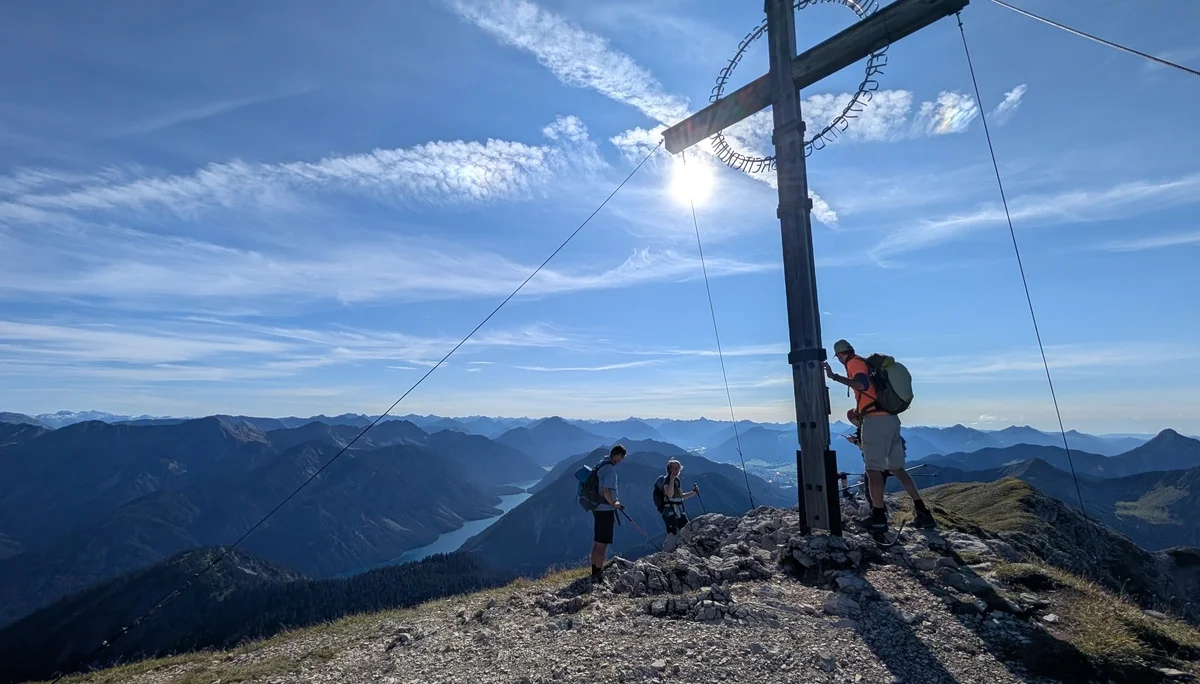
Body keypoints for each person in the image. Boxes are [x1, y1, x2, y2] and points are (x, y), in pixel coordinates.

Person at [824, 339, 934, 531]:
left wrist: (834, 377)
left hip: (875, 421)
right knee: (898, 468)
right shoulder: (866, 364)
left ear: (841, 355)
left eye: (839, 358)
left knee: (873, 470)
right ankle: (922, 511)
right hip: (891, 419)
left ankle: (878, 517)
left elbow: (862, 384)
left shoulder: (853, 363)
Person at [590, 444, 626, 581]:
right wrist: (615, 503)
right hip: (605, 509)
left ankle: (594, 570)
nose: (620, 461)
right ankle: (598, 573)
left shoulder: (600, 464)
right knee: (602, 543)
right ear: (617, 455)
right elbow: (606, 491)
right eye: (621, 458)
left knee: (597, 541)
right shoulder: (610, 469)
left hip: (597, 508)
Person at [655, 459, 699, 552]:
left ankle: (683, 551)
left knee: (686, 529)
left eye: (678, 468)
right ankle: (666, 554)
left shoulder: (677, 480)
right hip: (669, 511)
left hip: (678, 510)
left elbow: (681, 496)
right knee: (672, 533)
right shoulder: (666, 480)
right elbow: (669, 494)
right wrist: (671, 479)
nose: (677, 470)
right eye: (675, 468)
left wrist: (693, 492)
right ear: (669, 469)